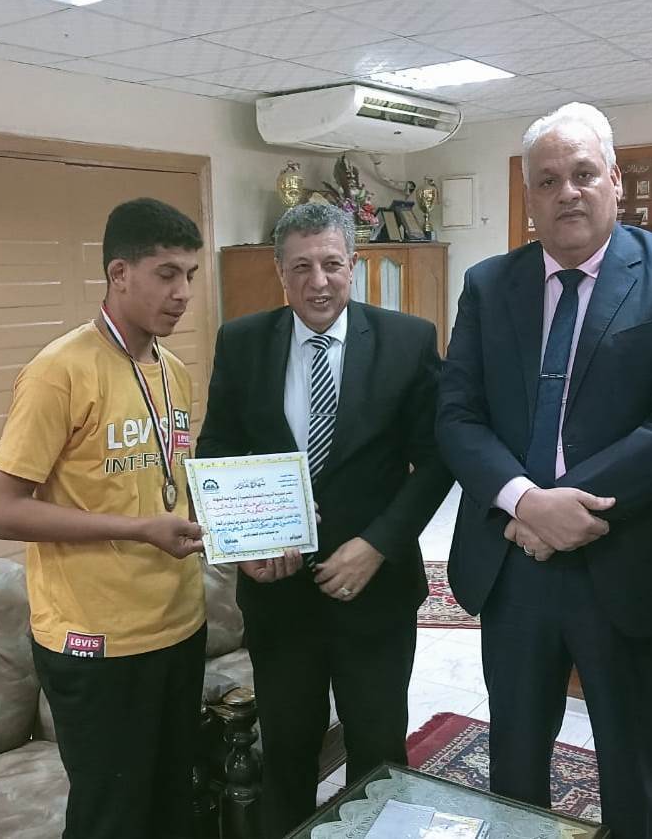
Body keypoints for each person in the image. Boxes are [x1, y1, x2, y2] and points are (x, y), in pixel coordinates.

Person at [436, 102, 652, 839]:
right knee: (514, 764)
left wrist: (567, 508)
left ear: (615, 181)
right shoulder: (488, 284)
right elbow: (457, 416)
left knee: (637, 769)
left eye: (582, 174)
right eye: (547, 181)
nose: (566, 192)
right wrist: (525, 502)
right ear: (529, 197)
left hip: (623, 561)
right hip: (514, 563)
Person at [196, 202, 452, 839]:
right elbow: (217, 452)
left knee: (378, 751)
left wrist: (377, 545)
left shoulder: (407, 340)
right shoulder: (242, 341)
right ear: (279, 272)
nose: (319, 282)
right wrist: (247, 545)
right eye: (302, 267)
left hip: (375, 589)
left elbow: (438, 461)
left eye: (333, 265)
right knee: (287, 753)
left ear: (353, 265)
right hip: (278, 595)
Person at [0, 197, 207, 839]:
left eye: (190, 275)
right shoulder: (59, 371)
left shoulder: (175, 372)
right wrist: (137, 530)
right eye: (167, 273)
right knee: (112, 818)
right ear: (119, 274)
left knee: (173, 804)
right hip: (97, 640)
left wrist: (258, 518)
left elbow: (169, 484)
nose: (183, 293)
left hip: (179, 625)